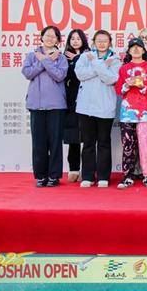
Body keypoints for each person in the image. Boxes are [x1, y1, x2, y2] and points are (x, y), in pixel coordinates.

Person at [22, 25, 68, 187]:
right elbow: (28, 73)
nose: (50, 39)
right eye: (47, 35)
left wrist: (45, 60)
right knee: (38, 142)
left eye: (53, 36)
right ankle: (41, 176)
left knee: (55, 142)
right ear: (41, 37)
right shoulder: (32, 55)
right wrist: (45, 60)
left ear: (58, 40)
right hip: (36, 105)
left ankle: (54, 176)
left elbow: (59, 76)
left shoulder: (61, 58)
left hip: (56, 105)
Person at [75, 30, 121, 188]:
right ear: (94, 42)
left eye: (105, 40)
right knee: (88, 143)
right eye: (99, 40)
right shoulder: (85, 56)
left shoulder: (115, 59)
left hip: (105, 107)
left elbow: (111, 79)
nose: (102, 43)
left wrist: (96, 63)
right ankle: (87, 176)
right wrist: (102, 66)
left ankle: (103, 176)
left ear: (110, 42)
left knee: (103, 142)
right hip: (85, 107)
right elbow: (80, 74)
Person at [115, 38, 147, 189]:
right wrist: (127, 85)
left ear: (144, 50)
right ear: (128, 51)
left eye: (138, 47)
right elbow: (118, 89)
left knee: (145, 144)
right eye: (132, 47)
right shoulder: (124, 68)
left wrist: (142, 86)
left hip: (146, 111)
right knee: (128, 144)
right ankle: (127, 176)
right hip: (127, 112)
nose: (135, 50)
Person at [63, 29, 89, 183]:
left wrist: (78, 58)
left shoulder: (90, 54)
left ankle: (87, 171)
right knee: (73, 136)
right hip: (71, 99)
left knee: (88, 138)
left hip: (88, 99)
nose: (75, 41)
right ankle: (73, 169)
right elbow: (64, 76)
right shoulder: (64, 57)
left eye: (78, 38)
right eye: (72, 38)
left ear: (83, 40)